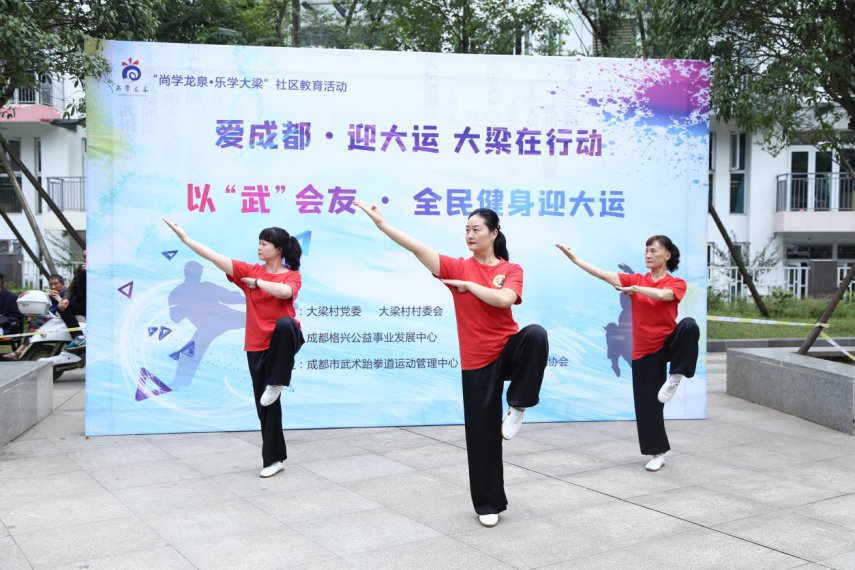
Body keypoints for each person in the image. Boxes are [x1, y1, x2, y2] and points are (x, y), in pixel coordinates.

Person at [354, 201, 548, 528]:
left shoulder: (510, 270)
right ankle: (488, 504)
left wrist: (469, 286)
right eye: (467, 230)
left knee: (536, 335)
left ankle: (517, 406)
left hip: (507, 351)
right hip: (476, 361)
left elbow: (504, 299)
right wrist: (382, 225)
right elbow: (418, 248)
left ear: (493, 234)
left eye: (476, 229)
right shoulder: (457, 267)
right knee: (482, 436)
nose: (469, 235)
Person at [163, 219, 304, 479]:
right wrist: (185, 238)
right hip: (257, 345)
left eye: (264, 244)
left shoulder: (291, 275)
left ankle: (277, 380)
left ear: (279, 249)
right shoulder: (248, 270)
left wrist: (257, 283)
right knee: (266, 406)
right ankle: (274, 460)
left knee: (285, 324)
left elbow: (285, 293)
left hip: (285, 340)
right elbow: (214, 257)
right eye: (259, 243)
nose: (259, 247)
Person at [557, 236, 699, 472]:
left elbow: (664, 296)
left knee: (689, 325)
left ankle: (675, 376)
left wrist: (635, 289)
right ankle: (657, 453)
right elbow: (603, 274)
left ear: (667, 255)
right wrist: (575, 259)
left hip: (668, 342)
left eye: (653, 251)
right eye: (646, 251)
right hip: (644, 349)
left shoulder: (676, 283)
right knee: (648, 404)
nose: (648, 255)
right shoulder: (636, 279)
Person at [3, 274, 65, 361]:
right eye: (51, 284)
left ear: (63, 284)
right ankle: (22, 351)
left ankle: (19, 351)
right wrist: (44, 295)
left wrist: (59, 299)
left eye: (56, 284)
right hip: (50, 320)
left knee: (34, 325)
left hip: (61, 321)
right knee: (33, 325)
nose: (53, 287)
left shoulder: (66, 295)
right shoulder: (51, 295)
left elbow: (68, 308)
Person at [59, 251, 87, 350]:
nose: (85, 259)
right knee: (64, 308)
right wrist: (65, 299)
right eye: (84, 257)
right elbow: (73, 286)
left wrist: (92, 273)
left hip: (98, 305)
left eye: (88, 257)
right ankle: (79, 337)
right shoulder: (80, 269)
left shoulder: (103, 270)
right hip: (83, 304)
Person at [0, 272, 22, 336]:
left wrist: (2, 319)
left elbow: (18, 316)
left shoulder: (12, 297)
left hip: (6, 329)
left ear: (0, 281)